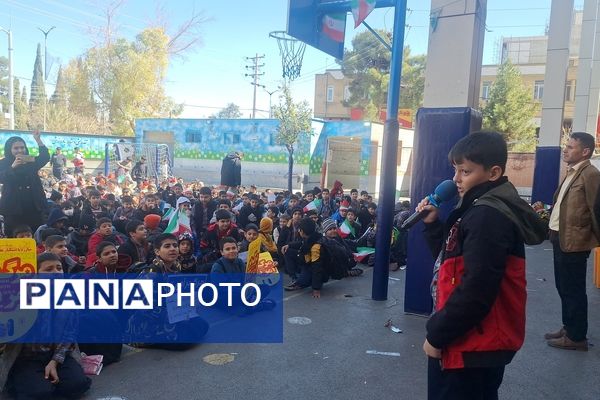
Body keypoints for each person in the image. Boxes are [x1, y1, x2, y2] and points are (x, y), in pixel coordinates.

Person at [417, 131, 546, 400]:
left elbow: (477, 289)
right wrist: (432, 226)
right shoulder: (475, 209)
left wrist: (437, 335)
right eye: (456, 170)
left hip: (472, 345)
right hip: (472, 341)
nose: (456, 179)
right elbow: (449, 264)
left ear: (493, 172)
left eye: (465, 171)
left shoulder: (487, 216)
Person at [0, 252, 92, 400]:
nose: (56, 272)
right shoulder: (18, 299)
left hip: (57, 354)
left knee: (77, 384)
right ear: (35, 274)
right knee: (39, 393)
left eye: (58, 268)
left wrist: (54, 362)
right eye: (48, 270)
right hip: (26, 359)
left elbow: (69, 335)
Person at [545, 131, 600, 351]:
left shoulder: (590, 174)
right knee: (563, 286)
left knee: (573, 290)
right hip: (561, 238)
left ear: (585, 151)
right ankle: (569, 327)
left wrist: (593, 238)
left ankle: (577, 338)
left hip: (575, 242)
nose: (565, 149)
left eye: (571, 146)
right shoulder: (573, 172)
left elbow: (596, 209)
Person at [0, 131, 50, 235]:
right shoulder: (4, 163)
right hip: (13, 208)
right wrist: (12, 167)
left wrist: (38, 140)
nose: (20, 150)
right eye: (16, 148)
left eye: (22, 147)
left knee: (36, 235)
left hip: (34, 206)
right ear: (10, 149)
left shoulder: (30, 160)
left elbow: (44, 157)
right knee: (15, 236)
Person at [281, 217, 326, 298]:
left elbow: (317, 267)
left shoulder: (315, 247)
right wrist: (289, 245)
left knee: (303, 281)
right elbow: (301, 243)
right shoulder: (311, 237)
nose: (298, 231)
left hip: (315, 269)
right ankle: (295, 278)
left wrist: (316, 288)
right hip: (307, 263)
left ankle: (305, 282)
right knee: (288, 251)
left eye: (299, 229)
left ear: (302, 231)